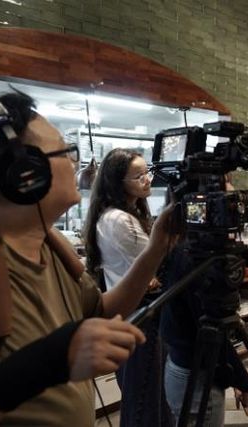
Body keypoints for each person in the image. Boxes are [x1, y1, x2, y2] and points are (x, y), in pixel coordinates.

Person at [0, 92, 171, 426]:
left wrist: (157, 247)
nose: (76, 165)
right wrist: (44, 363)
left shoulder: (49, 245)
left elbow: (100, 311)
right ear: (26, 173)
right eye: (66, 152)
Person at [160, 174, 248, 426]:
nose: (235, 195)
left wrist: (232, 378)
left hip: (185, 368)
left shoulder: (182, 245)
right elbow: (209, 334)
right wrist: (245, 383)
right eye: (225, 186)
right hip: (195, 380)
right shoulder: (194, 258)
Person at [83, 148, 170, 427]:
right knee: (144, 401)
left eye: (147, 172)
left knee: (148, 397)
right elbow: (158, 262)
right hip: (139, 314)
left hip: (136, 311)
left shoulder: (125, 214)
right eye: (138, 176)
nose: (147, 180)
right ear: (117, 182)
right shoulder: (119, 220)